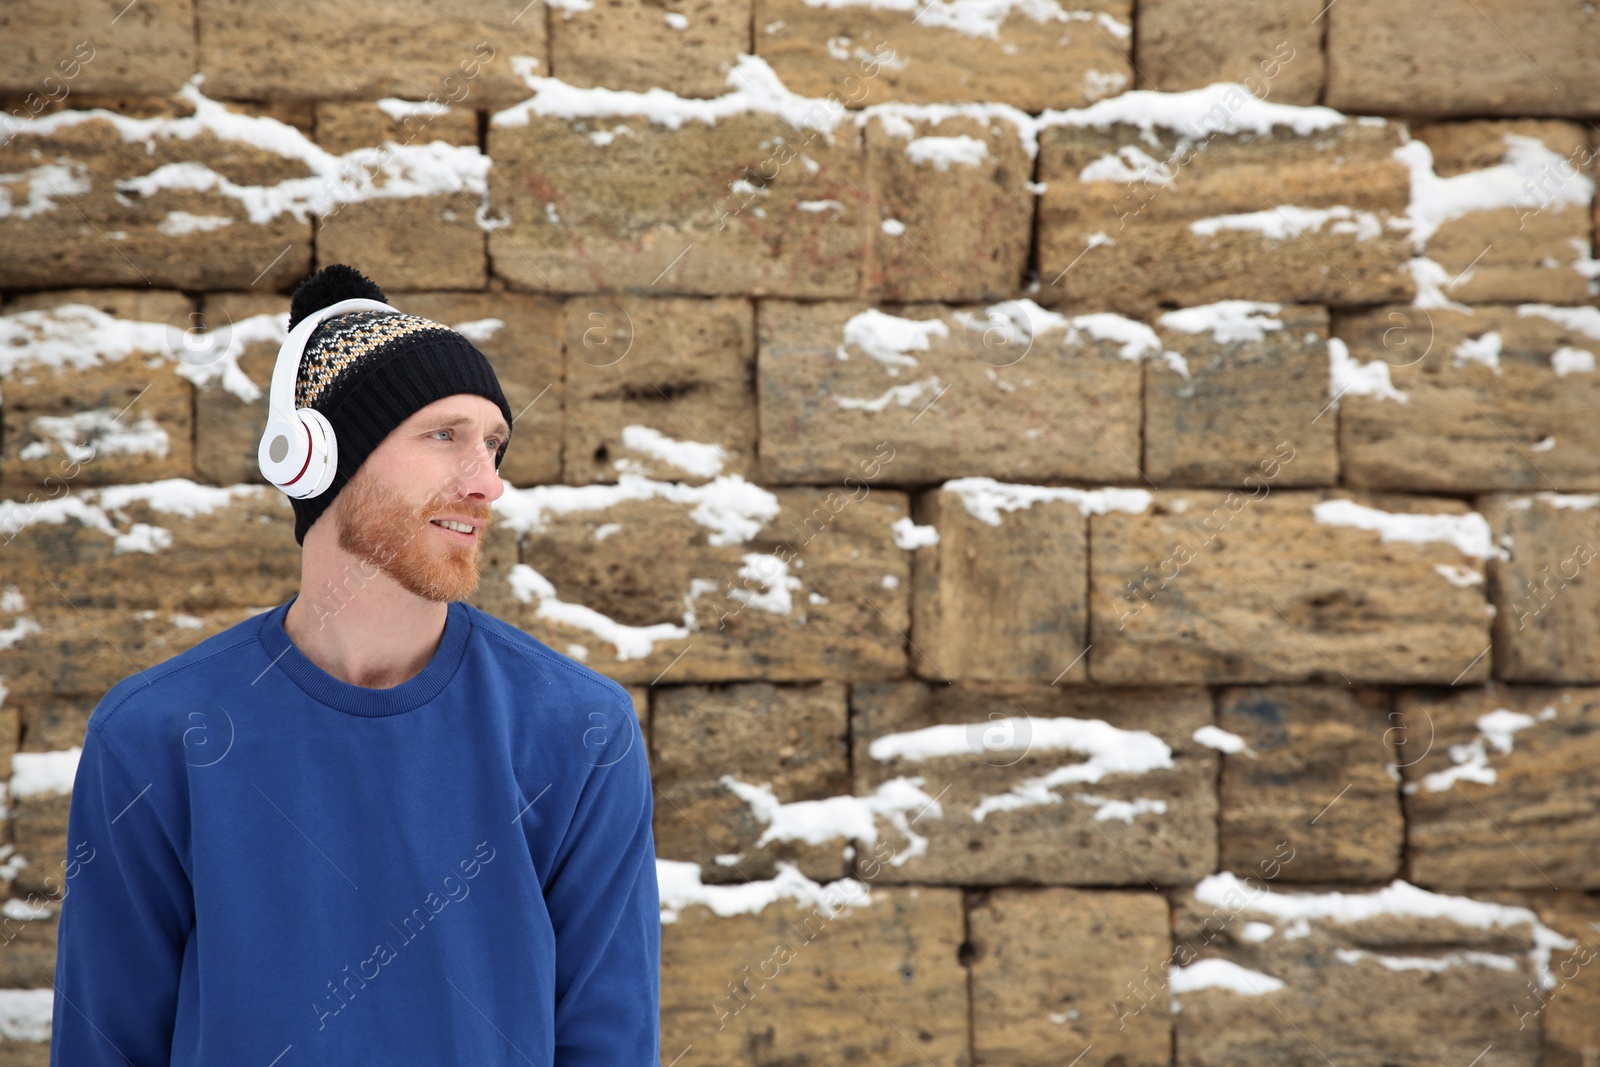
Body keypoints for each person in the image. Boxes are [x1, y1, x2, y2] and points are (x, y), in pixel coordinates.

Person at [49, 265, 661, 1065]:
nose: (488, 482)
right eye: (445, 435)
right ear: (315, 457)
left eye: (493, 444)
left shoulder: (579, 732)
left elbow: (610, 1044)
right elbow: (106, 1043)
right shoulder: (155, 736)